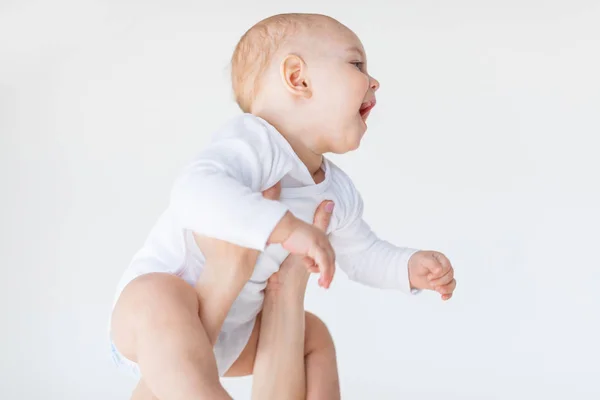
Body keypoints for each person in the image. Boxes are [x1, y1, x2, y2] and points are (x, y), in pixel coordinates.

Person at [110, 13, 457, 399]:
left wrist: (408, 267)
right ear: (298, 78)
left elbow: (363, 254)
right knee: (159, 294)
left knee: (316, 339)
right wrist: (285, 227)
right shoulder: (255, 141)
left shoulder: (336, 190)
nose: (373, 81)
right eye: (357, 64)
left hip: (237, 333)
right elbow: (194, 191)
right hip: (153, 322)